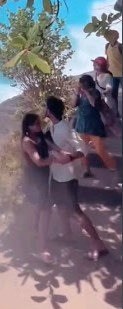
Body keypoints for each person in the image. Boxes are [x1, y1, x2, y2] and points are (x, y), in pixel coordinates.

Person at [45, 96, 108, 261]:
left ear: (50, 111)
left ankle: (99, 245)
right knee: (60, 207)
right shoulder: (51, 127)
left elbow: (84, 149)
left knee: (76, 212)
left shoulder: (65, 129)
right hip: (57, 176)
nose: (44, 110)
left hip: (67, 179)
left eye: (46, 107)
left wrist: (70, 158)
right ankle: (66, 235)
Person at [21, 112, 71, 264]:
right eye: (35, 124)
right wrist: (55, 159)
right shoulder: (27, 141)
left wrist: (67, 154)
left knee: (40, 205)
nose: (38, 125)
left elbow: (54, 147)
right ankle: (43, 249)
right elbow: (38, 162)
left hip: (43, 177)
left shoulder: (41, 136)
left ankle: (34, 230)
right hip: (35, 179)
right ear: (28, 127)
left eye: (39, 122)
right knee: (46, 210)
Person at [73, 74, 116, 175]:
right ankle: (87, 170)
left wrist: (86, 92)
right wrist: (76, 94)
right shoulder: (80, 94)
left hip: (93, 126)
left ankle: (113, 167)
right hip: (81, 125)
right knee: (82, 151)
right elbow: (73, 105)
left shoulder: (95, 92)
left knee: (100, 150)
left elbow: (93, 104)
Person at [105, 30, 122, 113]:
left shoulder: (120, 46)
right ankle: (116, 113)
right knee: (113, 94)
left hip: (121, 74)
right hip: (112, 74)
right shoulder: (107, 46)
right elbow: (107, 58)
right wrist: (106, 69)